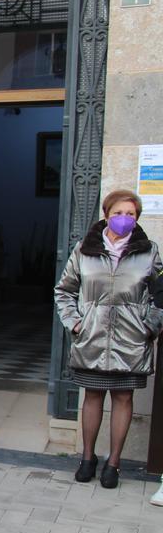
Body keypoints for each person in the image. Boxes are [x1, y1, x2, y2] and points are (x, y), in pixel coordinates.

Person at [55, 189, 163, 489]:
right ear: (106, 214)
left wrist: (149, 326)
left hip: (131, 340)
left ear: (137, 217)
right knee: (91, 395)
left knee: (123, 397)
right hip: (92, 337)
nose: (124, 219)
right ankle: (87, 459)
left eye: (130, 214)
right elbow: (64, 291)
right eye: (118, 213)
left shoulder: (148, 251)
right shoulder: (84, 250)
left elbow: (160, 295)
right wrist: (76, 323)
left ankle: (113, 463)